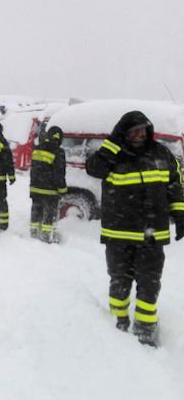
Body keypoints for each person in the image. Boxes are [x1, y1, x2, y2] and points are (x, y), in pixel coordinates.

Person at [86, 111, 184, 347]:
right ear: (124, 132)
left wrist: (180, 213)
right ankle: (117, 322)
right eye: (134, 130)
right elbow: (94, 169)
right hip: (118, 235)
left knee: (149, 283)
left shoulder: (162, 153)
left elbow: (175, 184)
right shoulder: (112, 154)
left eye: (143, 129)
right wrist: (113, 142)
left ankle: (145, 327)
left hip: (153, 234)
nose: (140, 134)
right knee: (120, 281)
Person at [29, 126, 67, 243]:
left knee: (36, 210)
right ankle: (46, 236)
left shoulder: (37, 148)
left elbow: (34, 169)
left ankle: (33, 232)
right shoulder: (58, 152)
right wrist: (62, 189)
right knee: (49, 214)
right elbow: (59, 173)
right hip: (50, 191)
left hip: (35, 188)